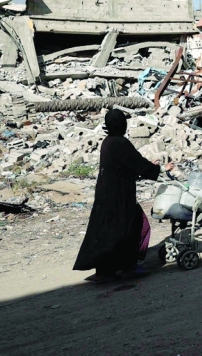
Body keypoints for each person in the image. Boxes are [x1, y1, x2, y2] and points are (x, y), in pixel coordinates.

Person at [73, 108, 173, 282]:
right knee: (134, 227)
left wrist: (148, 166)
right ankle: (128, 267)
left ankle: (105, 270)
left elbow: (126, 165)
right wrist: (161, 168)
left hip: (106, 195)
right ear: (123, 125)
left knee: (108, 232)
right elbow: (137, 163)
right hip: (121, 196)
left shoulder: (107, 142)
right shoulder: (120, 143)